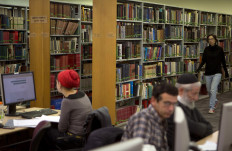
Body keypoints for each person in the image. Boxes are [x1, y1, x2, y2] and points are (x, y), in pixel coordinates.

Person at [41, 69, 92, 150]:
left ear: (60, 84)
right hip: (84, 136)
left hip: (73, 139)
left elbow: (62, 128)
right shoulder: (83, 94)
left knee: (44, 132)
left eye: (57, 82)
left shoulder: (67, 101)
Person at [121, 83, 178, 151]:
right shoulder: (143, 119)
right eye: (167, 103)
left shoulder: (162, 119)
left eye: (174, 104)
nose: (171, 109)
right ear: (153, 101)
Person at [167, 73, 213, 151]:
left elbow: (209, 128)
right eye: (194, 93)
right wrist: (200, 129)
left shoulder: (189, 104)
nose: (197, 98)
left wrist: (199, 130)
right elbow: (194, 128)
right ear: (181, 91)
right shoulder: (173, 109)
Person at [196, 34, 229, 114]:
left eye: (212, 39)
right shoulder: (206, 49)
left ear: (215, 40)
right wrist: (199, 68)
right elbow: (203, 60)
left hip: (217, 73)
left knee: (213, 89)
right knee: (209, 90)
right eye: (209, 39)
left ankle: (211, 107)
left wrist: (226, 72)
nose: (210, 40)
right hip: (208, 73)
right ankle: (215, 101)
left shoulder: (220, 49)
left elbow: (223, 62)